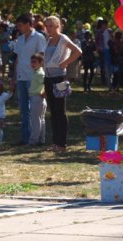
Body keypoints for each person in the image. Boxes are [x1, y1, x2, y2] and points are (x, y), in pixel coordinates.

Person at [44, 16, 82, 152]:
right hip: (48, 78)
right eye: (46, 26)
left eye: (50, 26)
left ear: (57, 26)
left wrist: (66, 62)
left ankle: (62, 144)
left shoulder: (63, 38)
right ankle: (55, 142)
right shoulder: (48, 40)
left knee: (60, 110)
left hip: (59, 78)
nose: (48, 29)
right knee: (53, 111)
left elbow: (78, 51)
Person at [10, 14, 46, 145]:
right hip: (21, 77)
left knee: (35, 109)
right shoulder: (19, 39)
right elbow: (18, 59)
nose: (18, 28)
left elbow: (42, 57)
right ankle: (26, 137)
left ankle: (36, 138)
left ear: (28, 24)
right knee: (23, 109)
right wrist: (13, 77)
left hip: (34, 78)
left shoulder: (39, 37)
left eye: (20, 25)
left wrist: (43, 81)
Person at [28, 53, 47, 146]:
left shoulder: (40, 73)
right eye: (31, 62)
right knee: (41, 119)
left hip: (37, 98)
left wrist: (44, 92)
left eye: (34, 62)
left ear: (41, 62)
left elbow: (46, 83)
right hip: (37, 98)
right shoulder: (37, 72)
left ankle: (34, 140)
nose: (32, 64)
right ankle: (41, 139)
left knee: (35, 120)